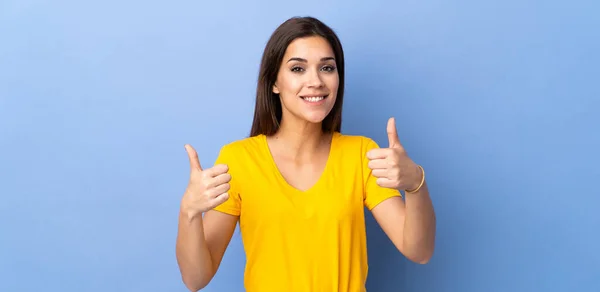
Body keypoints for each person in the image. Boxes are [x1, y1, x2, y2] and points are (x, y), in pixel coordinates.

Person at [175, 16, 436, 292]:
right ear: (274, 82)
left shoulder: (361, 154)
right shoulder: (239, 160)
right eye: (298, 69)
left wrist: (416, 184)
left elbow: (419, 251)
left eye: (326, 67)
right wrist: (188, 212)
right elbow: (196, 278)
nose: (315, 81)